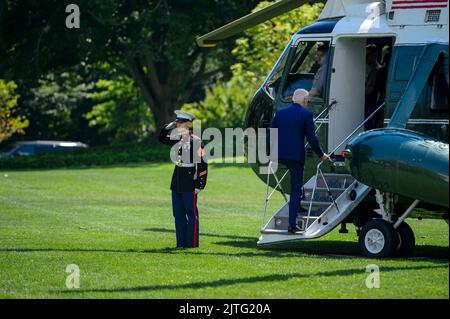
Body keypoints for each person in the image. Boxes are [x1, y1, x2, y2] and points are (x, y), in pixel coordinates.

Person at [271, 89, 329, 233]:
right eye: (307, 100)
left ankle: (299, 202)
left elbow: (271, 134)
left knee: (297, 183)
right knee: (296, 188)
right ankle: (292, 224)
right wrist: (321, 154)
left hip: (280, 155)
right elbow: (311, 138)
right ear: (304, 101)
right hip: (295, 156)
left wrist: (271, 154)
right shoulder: (306, 114)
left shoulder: (280, 113)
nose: (308, 102)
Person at [158, 110, 208, 248]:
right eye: (177, 122)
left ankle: (191, 244)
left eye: (180, 122)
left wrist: (200, 185)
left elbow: (203, 164)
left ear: (188, 123)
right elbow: (161, 138)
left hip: (189, 182)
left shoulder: (196, 141)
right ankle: (180, 243)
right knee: (178, 215)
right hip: (177, 180)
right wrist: (169, 126)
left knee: (191, 214)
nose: (178, 124)